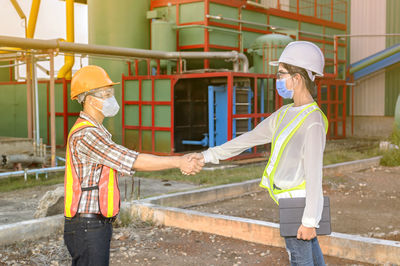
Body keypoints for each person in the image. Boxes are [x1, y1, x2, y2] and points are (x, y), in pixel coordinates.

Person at [190, 41, 328, 265]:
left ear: (298, 78)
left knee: (300, 259)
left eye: (281, 74)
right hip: (288, 200)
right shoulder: (285, 113)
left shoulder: (313, 121)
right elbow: (249, 138)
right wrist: (207, 156)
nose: (278, 80)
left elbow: (314, 175)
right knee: (310, 256)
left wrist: (310, 220)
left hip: (299, 205)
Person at [63, 65, 203, 266]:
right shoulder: (87, 135)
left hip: (94, 222)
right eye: (107, 94)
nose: (112, 98)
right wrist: (178, 161)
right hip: (87, 224)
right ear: (91, 100)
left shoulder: (97, 131)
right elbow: (132, 159)